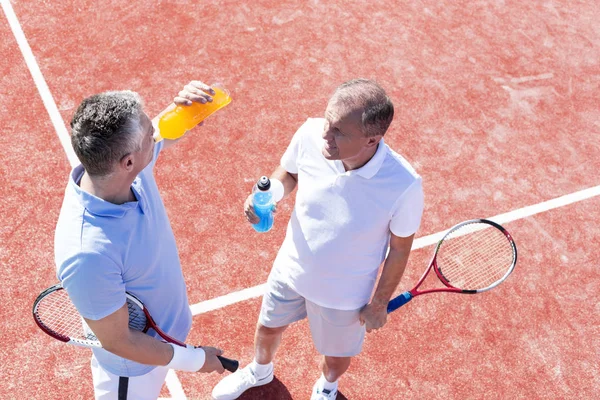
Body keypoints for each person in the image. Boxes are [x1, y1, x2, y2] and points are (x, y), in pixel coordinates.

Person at [212, 78, 424, 400]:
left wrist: (379, 302)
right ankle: (259, 370)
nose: (325, 134)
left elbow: (399, 249)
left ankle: (327, 387)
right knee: (267, 328)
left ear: (372, 139)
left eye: (339, 131)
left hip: (345, 294)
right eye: (328, 121)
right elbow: (291, 172)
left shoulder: (404, 185)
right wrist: (272, 197)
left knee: (337, 360)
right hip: (291, 268)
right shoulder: (312, 134)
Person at [55, 81, 227, 400]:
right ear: (128, 162)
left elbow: (164, 132)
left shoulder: (118, 171)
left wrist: (185, 114)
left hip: (161, 344)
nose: (156, 131)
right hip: (133, 369)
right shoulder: (87, 254)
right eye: (150, 132)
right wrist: (196, 359)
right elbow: (120, 341)